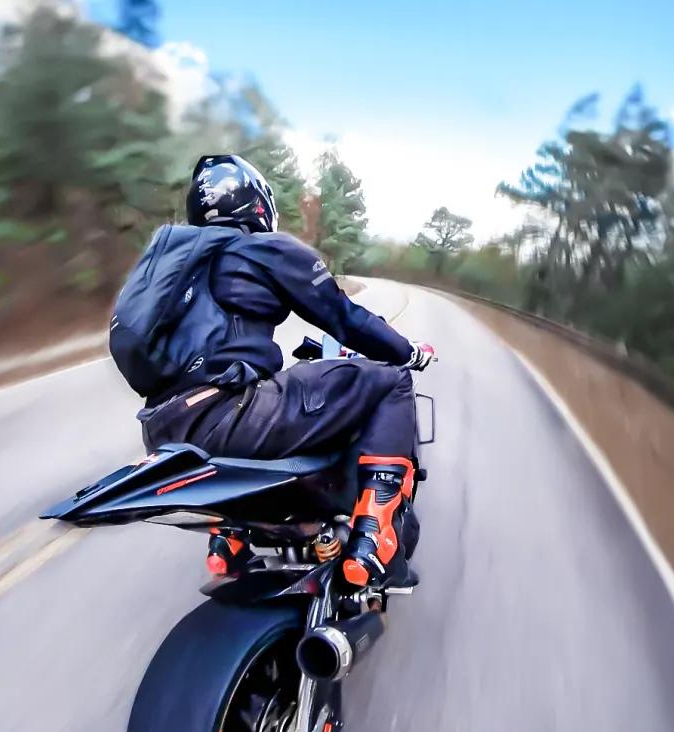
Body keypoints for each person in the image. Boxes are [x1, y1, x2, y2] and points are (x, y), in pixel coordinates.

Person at [108, 153, 434, 589]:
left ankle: (230, 539)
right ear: (258, 205)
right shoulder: (266, 249)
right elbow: (345, 318)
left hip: (162, 428)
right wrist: (408, 352)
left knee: (264, 391)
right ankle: (375, 538)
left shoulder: (175, 263)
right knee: (392, 382)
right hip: (231, 417)